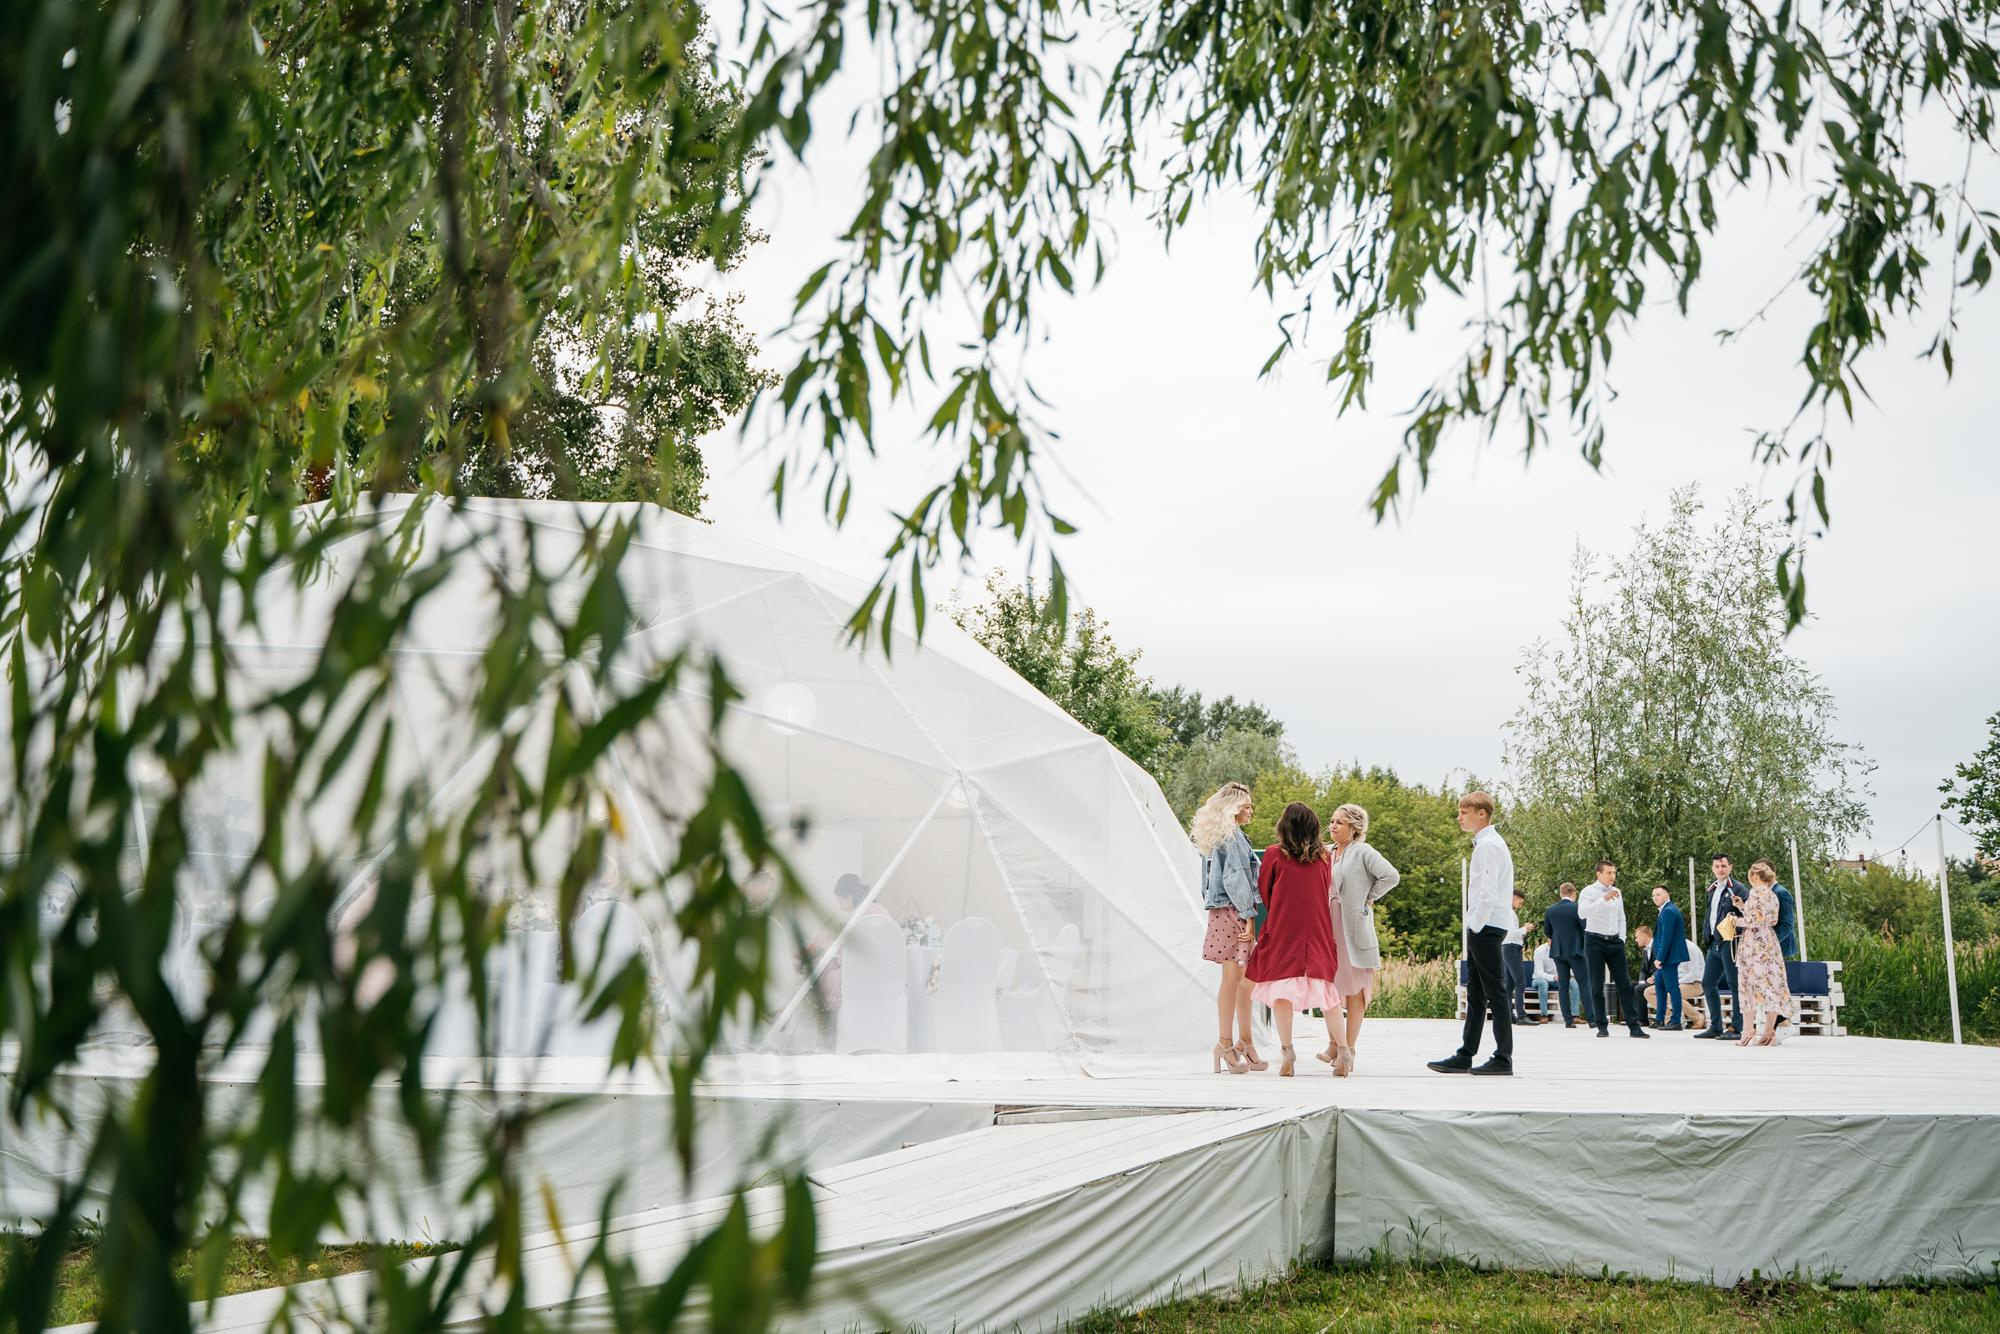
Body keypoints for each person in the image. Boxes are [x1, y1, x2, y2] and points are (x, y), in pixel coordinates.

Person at [1244, 802, 1340, 1077]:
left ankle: (1287, 1050)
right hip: (1318, 928)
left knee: (1281, 992)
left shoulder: (1275, 854)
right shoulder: (1324, 856)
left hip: (1284, 927)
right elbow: (1325, 887)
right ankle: (1344, 1050)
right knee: (1326, 992)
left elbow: (1265, 890)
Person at [1428, 791, 1515, 1076]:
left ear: (1481, 813)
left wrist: (1474, 924)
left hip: (1486, 925)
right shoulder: (1488, 843)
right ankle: (1466, 1054)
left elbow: (1487, 892)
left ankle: (1503, 1058)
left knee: (1495, 991)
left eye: (1463, 812)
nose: (1458, 817)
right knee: (1477, 992)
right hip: (1486, 924)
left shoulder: (1489, 845)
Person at [1320, 801, 1401, 1076]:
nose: (1332, 826)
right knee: (1328, 984)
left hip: (1351, 926)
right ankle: (1334, 1042)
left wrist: (1369, 897)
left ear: (1354, 828)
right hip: (1326, 925)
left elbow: (1391, 875)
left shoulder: (1363, 851)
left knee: (1353, 986)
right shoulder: (1326, 852)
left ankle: (1348, 1049)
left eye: (1339, 822)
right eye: (1331, 821)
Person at [1192, 782, 1265, 1073]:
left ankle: (1240, 1042)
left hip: (1222, 912)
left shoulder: (1217, 838)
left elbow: (1206, 884)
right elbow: (1236, 879)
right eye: (1246, 806)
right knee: (1234, 980)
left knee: (1239, 980)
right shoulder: (1232, 838)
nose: (1251, 810)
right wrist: (1248, 916)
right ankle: (1225, 1043)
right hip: (1235, 912)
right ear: (1234, 809)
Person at [1578, 860, 1649, 1039]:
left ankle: (1634, 1027)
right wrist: (1603, 899)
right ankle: (1602, 1026)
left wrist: (1622, 938)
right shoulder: (1588, 891)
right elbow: (1582, 913)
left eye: (1614, 873)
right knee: (1596, 984)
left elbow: (1621, 917)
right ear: (1599, 874)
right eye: (1609, 873)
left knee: (1624, 984)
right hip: (1594, 941)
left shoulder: (1618, 892)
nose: (1613, 876)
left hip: (1615, 941)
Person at [1736, 860, 1799, 1046]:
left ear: (1755, 876)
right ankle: (1769, 1032)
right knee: (1771, 985)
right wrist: (1743, 907)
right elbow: (1767, 918)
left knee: (1748, 984)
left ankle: (1748, 1030)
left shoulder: (1757, 892)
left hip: (1754, 943)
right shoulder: (1772, 895)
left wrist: (1735, 921)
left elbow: (1755, 920)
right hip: (1770, 942)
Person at [1694, 854, 1748, 1040]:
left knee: (1735, 984)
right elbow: (1710, 914)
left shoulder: (1739, 888)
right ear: (1713, 868)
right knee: (1708, 983)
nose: (1720, 869)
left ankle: (1736, 1028)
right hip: (1714, 942)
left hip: (1731, 941)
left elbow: (1748, 913)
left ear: (1730, 867)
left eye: (1724, 865)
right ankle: (1715, 1026)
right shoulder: (1712, 889)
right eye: (1717, 866)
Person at [1541, 883, 1589, 1029]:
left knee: (1563, 985)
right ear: (1574, 893)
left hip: (1558, 952)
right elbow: (1585, 928)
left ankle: (1568, 1021)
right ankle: (1592, 1019)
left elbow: (1547, 931)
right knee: (1584, 983)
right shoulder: (1577, 908)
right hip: (1575, 951)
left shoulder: (1550, 910)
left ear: (1561, 893)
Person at [1648, 885, 1691, 1029]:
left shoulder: (1669, 911)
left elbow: (1667, 937)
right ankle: (1660, 1018)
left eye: (1658, 894)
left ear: (1667, 894)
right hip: (1669, 955)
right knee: (1659, 984)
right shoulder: (1666, 911)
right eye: (1653, 895)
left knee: (1673, 988)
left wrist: (1660, 957)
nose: (1655, 898)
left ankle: (1676, 1021)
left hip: (1670, 956)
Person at [1502, 891, 1531, 1023]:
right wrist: (1525, 928)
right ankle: (1521, 1015)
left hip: (1507, 948)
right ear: (1514, 898)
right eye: (1520, 902)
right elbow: (1511, 934)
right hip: (1512, 948)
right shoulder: (1508, 913)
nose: (1520, 905)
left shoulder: (1506, 912)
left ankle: (1508, 1015)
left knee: (1509, 984)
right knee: (1520, 982)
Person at [1772, 875, 1799, 961]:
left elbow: (1787, 924)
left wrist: (1770, 941)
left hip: (1782, 949)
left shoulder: (1782, 893)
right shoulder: (1766, 892)